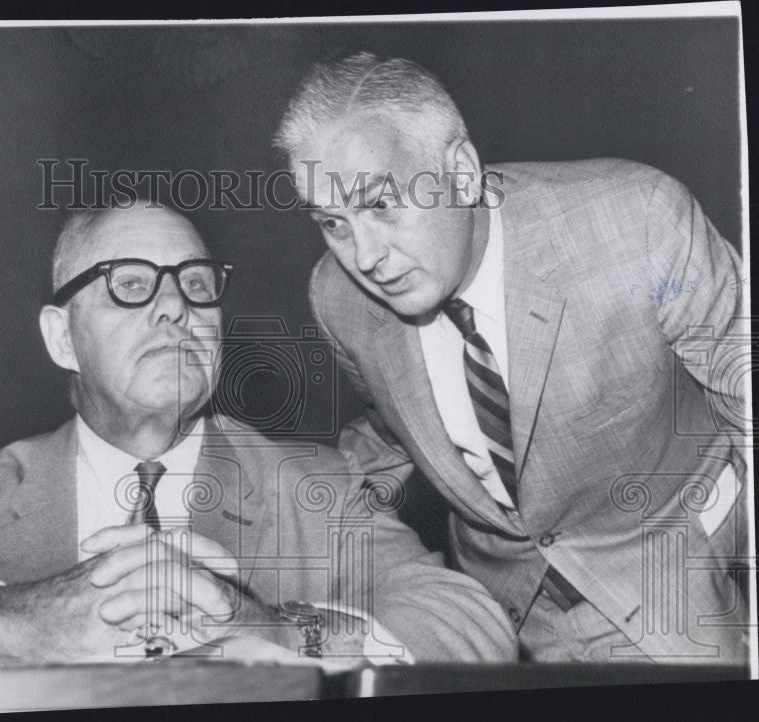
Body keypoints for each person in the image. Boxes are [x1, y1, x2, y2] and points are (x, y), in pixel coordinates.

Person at [274, 52, 748, 663]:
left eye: (381, 205)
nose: (364, 256)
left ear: (462, 172)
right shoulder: (336, 297)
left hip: (667, 577)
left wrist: (717, 550)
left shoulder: (637, 223)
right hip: (498, 608)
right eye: (333, 224)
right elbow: (391, 434)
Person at [0, 201, 517, 665]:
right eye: (130, 284)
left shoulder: (321, 487)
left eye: (197, 283)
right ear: (61, 339)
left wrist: (277, 637)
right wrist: (14, 620)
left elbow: (470, 622)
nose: (175, 306)